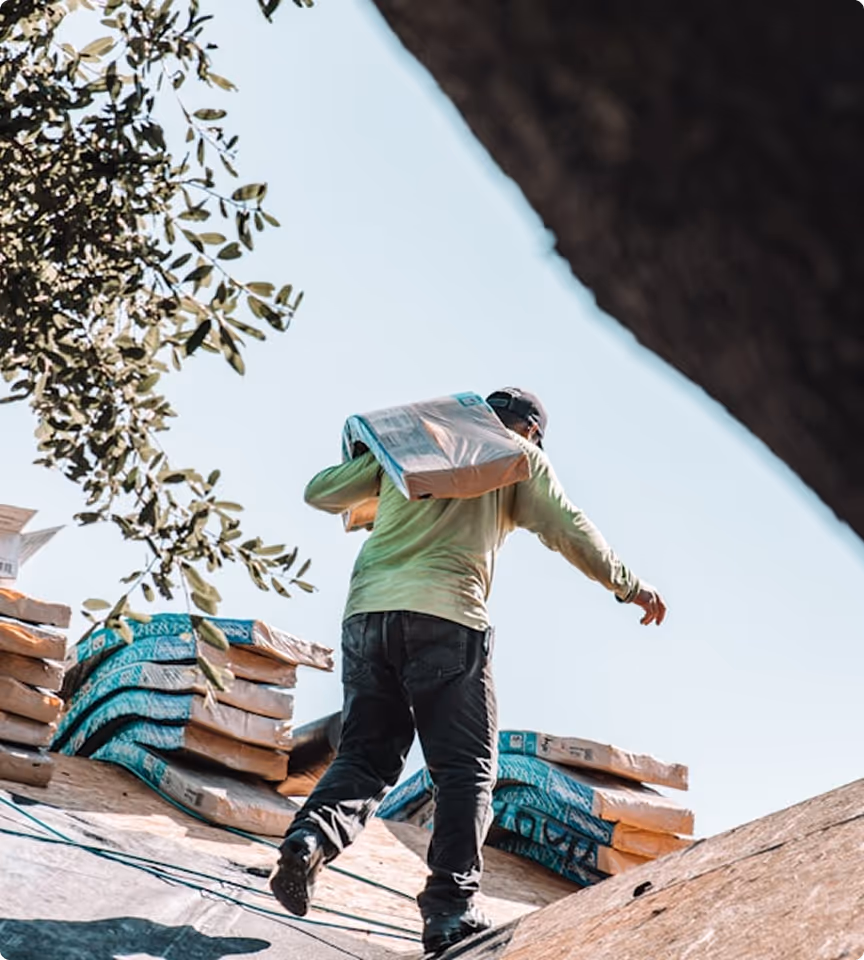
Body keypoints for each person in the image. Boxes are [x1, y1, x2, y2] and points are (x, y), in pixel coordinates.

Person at [270, 387, 667, 954]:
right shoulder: (520, 458)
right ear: (530, 431)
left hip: (367, 617)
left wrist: (376, 458)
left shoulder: (416, 449)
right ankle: (450, 910)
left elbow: (319, 493)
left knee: (365, 755)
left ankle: (310, 838)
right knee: (467, 770)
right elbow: (569, 528)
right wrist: (630, 585)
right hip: (448, 619)